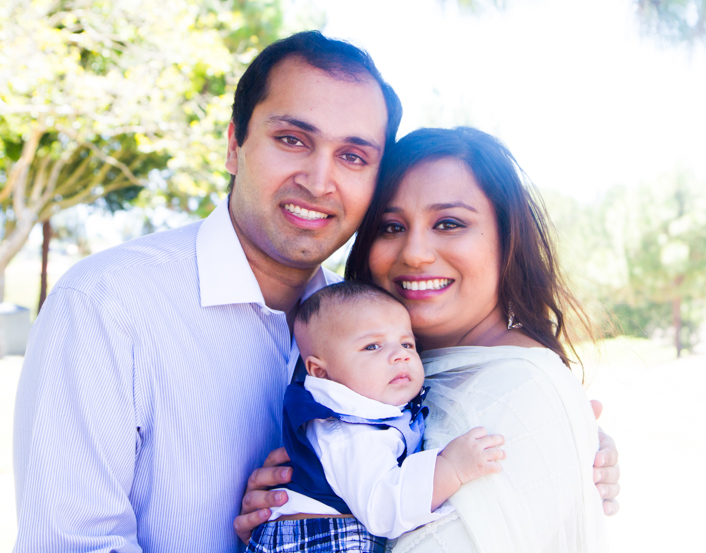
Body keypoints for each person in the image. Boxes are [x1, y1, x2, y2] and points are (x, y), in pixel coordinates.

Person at [13, 31, 618, 553]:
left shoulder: (375, 329)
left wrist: (566, 447)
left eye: (354, 156)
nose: (320, 179)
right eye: (293, 140)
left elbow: (478, 428)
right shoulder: (111, 305)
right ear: (233, 143)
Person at [343, 126, 608, 551]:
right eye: (390, 227)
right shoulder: (375, 377)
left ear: (508, 239)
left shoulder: (524, 391)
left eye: (449, 223)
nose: (414, 252)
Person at [245, 281, 505, 553]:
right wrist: (450, 468)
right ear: (320, 372)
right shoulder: (347, 431)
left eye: (407, 343)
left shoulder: (369, 413)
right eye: (372, 347)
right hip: (319, 541)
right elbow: (384, 511)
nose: (400, 356)